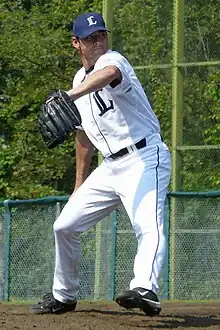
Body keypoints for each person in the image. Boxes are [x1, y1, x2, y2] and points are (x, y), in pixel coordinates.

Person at [31, 12, 171, 315]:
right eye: (90, 37)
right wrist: (79, 185)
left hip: (145, 158)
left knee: (148, 225)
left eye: (101, 35)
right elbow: (84, 136)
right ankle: (63, 295)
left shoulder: (114, 61)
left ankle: (145, 288)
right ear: (76, 43)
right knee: (64, 226)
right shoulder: (78, 80)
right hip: (109, 168)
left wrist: (69, 95)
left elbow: (107, 75)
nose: (98, 41)